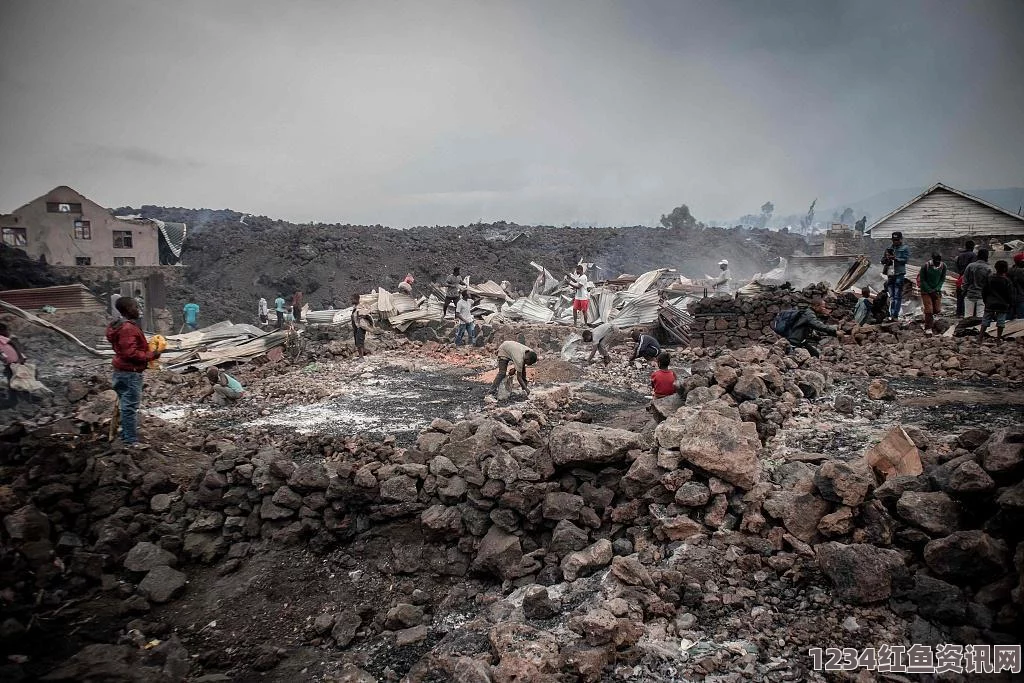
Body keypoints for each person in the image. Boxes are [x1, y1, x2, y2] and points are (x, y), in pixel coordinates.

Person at [106, 297, 160, 448]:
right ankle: (130, 441)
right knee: (129, 407)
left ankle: (125, 436)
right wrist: (151, 355)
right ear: (128, 309)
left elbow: (125, 349)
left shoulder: (119, 326)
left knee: (125, 405)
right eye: (136, 306)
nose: (138, 309)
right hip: (130, 373)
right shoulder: (128, 328)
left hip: (121, 371)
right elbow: (130, 353)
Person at [979, 260, 1014, 345]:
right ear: (1006, 269)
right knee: (1001, 322)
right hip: (1002, 305)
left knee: (985, 321)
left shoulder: (989, 278)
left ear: (995, 267)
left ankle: (980, 338)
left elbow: (984, 291)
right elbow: (1009, 294)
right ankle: (998, 340)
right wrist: (1010, 303)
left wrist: (985, 301)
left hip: (990, 303)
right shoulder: (1007, 281)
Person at [881, 232, 910, 319]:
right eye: (894, 240)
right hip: (890, 274)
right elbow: (882, 260)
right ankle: (891, 314)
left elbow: (905, 260)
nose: (895, 242)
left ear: (901, 239)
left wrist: (895, 258)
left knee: (897, 295)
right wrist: (887, 258)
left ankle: (895, 315)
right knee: (891, 296)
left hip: (899, 274)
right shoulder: (889, 249)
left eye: (897, 240)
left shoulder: (905, 248)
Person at [0, 322, 28, 408]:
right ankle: (18, 399)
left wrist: (20, 357)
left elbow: (13, 344)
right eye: (7, 330)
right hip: (11, 363)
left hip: (15, 363)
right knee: (15, 380)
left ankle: (18, 400)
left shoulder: (2, 338)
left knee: (16, 381)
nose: (8, 332)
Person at [918, 252, 947, 335]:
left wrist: (937, 289)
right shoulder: (925, 266)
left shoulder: (943, 266)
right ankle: (928, 328)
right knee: (929, 310)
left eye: (939, 261)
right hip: (926, 291)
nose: (938, 263)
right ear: (932, 259)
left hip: (936, 290)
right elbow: (922, 280)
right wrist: (930, 290)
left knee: (937, 310)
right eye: (936, 261)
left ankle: (927, 316)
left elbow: (942, 279)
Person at [962, 249, 992, 319]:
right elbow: (989, 284)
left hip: (970, 294)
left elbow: (965, 281)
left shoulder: (970, 266)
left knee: (968, 317)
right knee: (980, 317)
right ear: (987, 257)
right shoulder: (988, 268)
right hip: (982, 296)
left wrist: (964, 292)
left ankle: (966, 329)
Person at [954, 240, 977, 318]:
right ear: (973, 247)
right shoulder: (973, 255)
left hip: (960, 277)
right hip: (968, 278)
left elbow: (957, 266)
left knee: (960, 295)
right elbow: (972, 268)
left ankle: (958, 312)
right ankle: (964, 313)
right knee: (966, 296)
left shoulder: (960, 255)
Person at [350, 293, 367, 360]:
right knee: (357, 341)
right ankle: (360, 355)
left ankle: (361, 357)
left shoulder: (361, 307)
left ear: (356, 299)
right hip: (356, 327)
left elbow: (366, 314)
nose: (351, 300)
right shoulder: (355, 308)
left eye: (352, 299)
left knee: (360, 341)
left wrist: (362, 316)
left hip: (360, 327)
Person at [1010, 252, 1024, 319]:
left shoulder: (1010, 270)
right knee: (1021, 319)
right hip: (1020, 298)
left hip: (1010, 298)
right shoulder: (1020, 271)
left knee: (1008, 320)